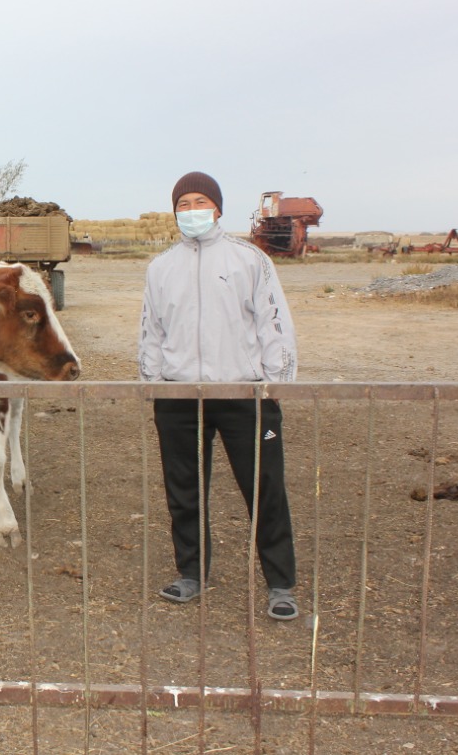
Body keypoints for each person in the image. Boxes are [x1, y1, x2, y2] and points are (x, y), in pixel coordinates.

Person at [138, 172, 299, 621]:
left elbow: (274, 324)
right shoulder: (161, 268)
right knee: (185, 491)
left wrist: (273, 386)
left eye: (200, 201)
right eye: (183, 203)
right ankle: (191, 574)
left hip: (244, 395)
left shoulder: (250, 260)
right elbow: (151, 331)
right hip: (179, 397)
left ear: (219, 208)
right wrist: (153, 381)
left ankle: (280, 584)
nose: (191, 210)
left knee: (263, 488)